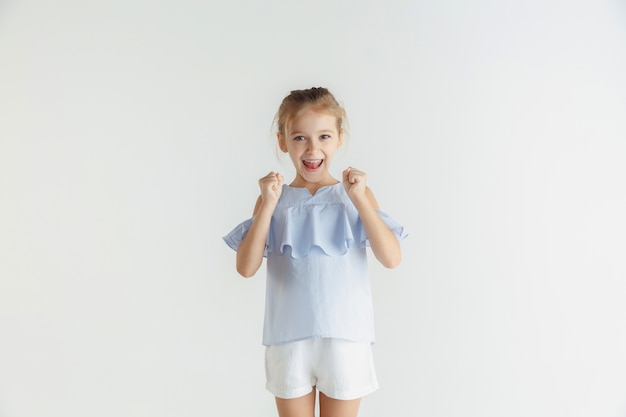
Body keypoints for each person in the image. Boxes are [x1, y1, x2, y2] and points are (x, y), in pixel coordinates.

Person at [223, 87, 407, 417]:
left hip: (345, 336)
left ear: (339, 139)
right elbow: (246, 267)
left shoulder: (355, 196)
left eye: (323, 136)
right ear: (283, 142)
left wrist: (360, 198)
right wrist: (267, 204)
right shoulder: (274, 200)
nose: (312, 149)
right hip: (288, 339)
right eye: (299, 138)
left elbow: (391, 258)